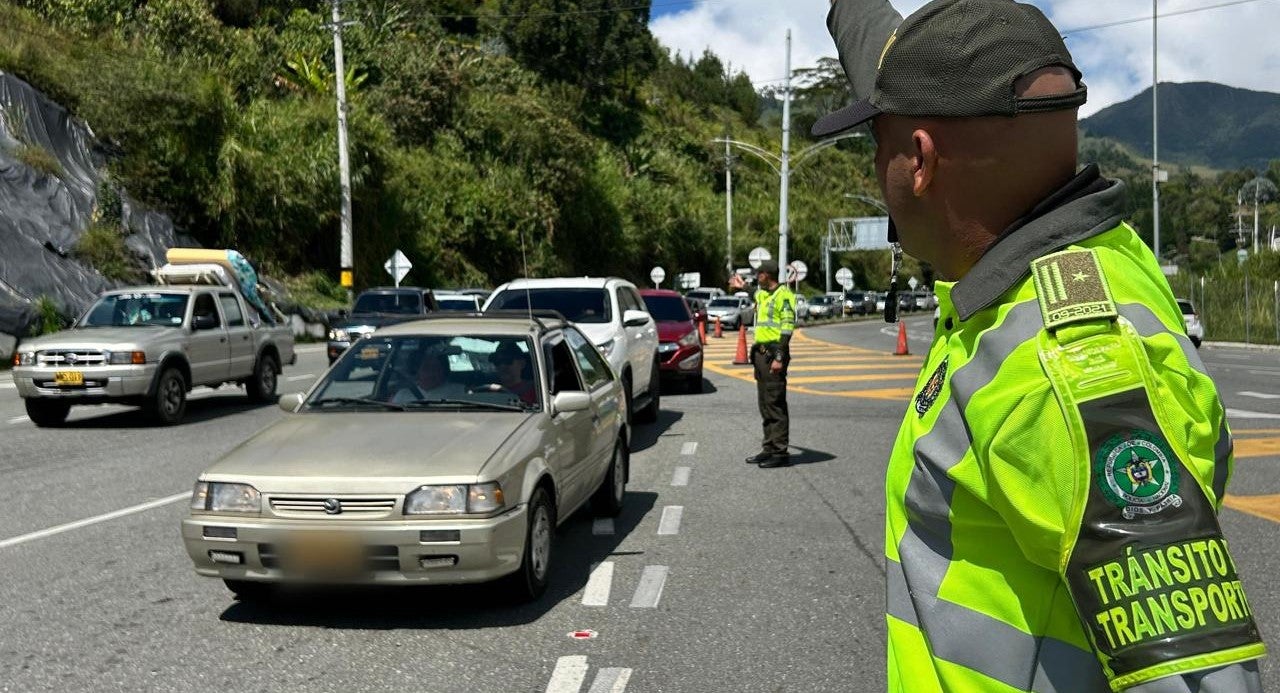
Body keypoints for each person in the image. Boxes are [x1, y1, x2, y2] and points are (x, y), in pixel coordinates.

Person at [815, 1, 1264, 691]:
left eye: (880, 149)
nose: (880, 173)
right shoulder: (1087, 260)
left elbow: (1201, 679)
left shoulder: (1061, 362)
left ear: (921, 161)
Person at [731, 260, 796, 468]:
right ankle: (768, 447)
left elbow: (787, 328)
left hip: (774, 354)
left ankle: (780, 452)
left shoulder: (784, 295)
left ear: (768, 275)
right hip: (760, 354)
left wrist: (779, 357)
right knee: (765, 403)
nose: (757, 276)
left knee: (775, 403)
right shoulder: (764, 294)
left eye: (760, 273)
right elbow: (754, 293)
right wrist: (743, 286)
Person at [391, 351, 467, 404]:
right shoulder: (402, 395)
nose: (431, 373)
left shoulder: (460, 391)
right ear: (417, 371)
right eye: (427, 368)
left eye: (436, 368)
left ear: (443, 372)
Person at [490, 341, 537, 405]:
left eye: (507, 361)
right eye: (497, 362)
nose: (502, 366)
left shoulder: (537, 391)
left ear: (522, 364)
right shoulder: (489, 390)